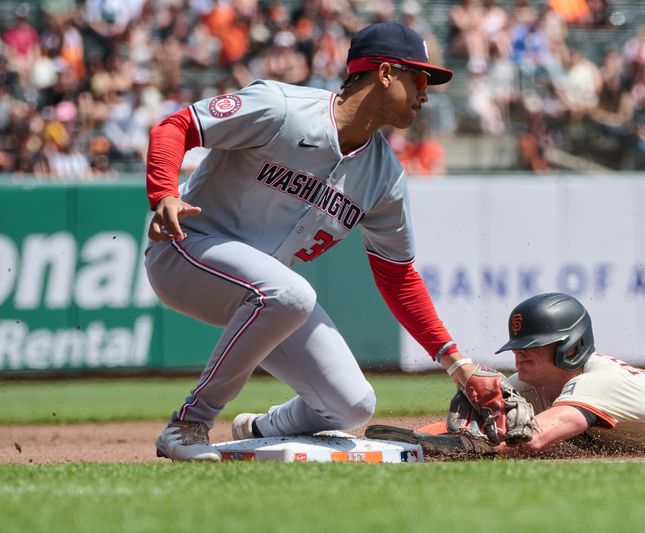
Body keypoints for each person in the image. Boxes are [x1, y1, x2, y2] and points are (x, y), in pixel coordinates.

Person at [144, 22, 531, 461]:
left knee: (351, 405)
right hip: (185, 251)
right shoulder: (282, 107)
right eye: (419, 79)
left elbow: (398, 276)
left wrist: (457, 364)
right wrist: (164, 194)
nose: (425, 94)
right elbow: (176, 127)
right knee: (291, 294)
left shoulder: (384, 175)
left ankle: (261, 426)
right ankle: (188, 425)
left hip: (264, 294)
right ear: (385, 73)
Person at [371, 293, 645, 456]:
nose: (520, 355)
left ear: (570, 346)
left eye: (532, 346)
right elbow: (443, 429)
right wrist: (399, 440)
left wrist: (455, 445)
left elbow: (533, 438)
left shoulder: (600, 382)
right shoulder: (538, 383)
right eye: (517, 347)